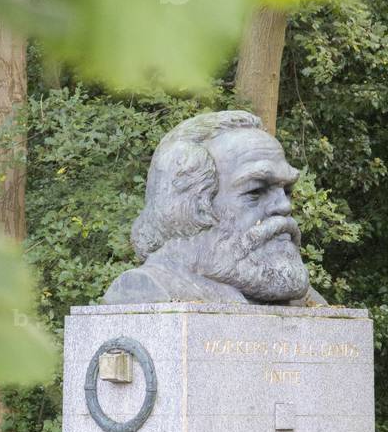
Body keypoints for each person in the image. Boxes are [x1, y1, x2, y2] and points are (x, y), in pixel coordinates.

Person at [103, 110, 326, 306]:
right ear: (193, 207)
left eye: (286, 190)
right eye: (256, 191)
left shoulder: (301, 297)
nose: (284, 206)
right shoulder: (143, 289)